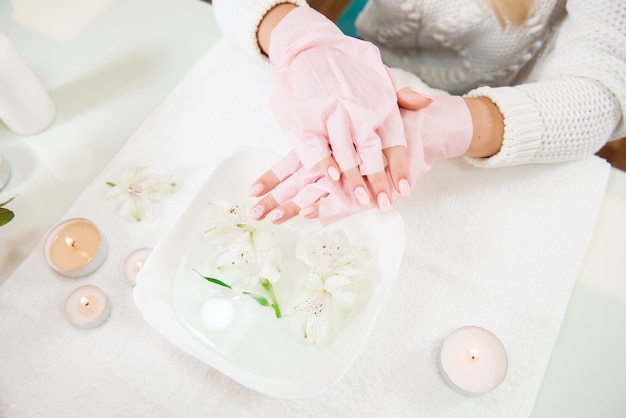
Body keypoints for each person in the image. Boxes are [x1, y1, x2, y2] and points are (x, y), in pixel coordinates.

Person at [212, 0, 626, 224]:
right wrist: (300, 37)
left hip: (495, 124)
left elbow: (603, 91)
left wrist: (442, 126)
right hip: (365, 80)